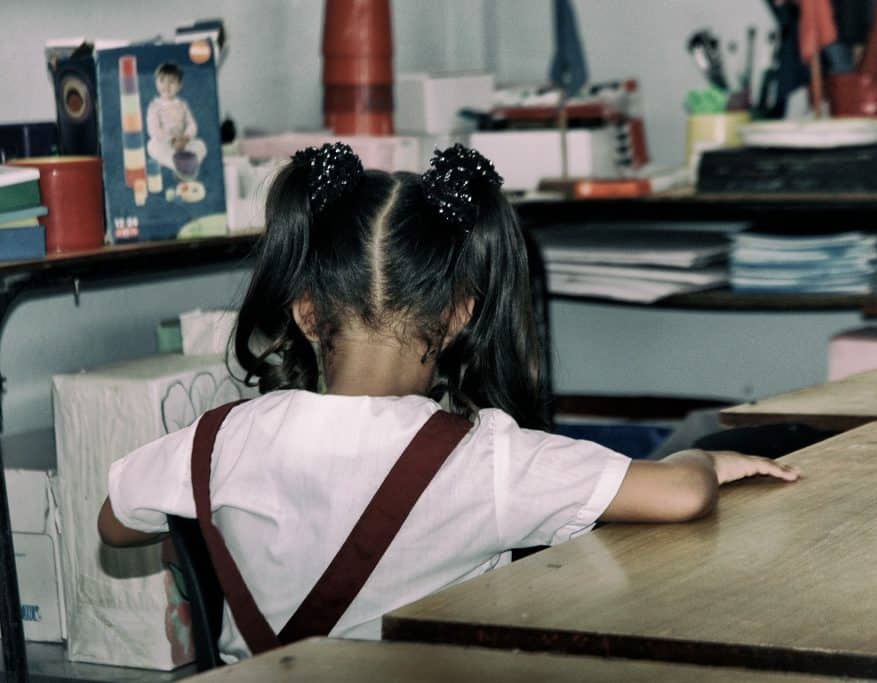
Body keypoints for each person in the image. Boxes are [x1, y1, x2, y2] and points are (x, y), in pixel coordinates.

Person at [97, 143, 799, 662]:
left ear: (307, 313)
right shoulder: (485, 459)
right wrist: (704, 455)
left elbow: (116, 522)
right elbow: (679, 494)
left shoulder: (218, 441)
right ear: (460, 314)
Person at [145, 62, 207, 176]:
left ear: (179, 85)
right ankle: (176, 164)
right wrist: (172, 140)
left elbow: (191, 124)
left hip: (183, 143)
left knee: (201, 145)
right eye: (162, 80)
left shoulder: (182, 105)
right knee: (151, 146)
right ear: (156, 82)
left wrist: (186, 138)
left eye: (171, 82)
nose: (166, 86)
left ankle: (189, 161)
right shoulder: (154, 106)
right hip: (166, 143)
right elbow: (153, 130)